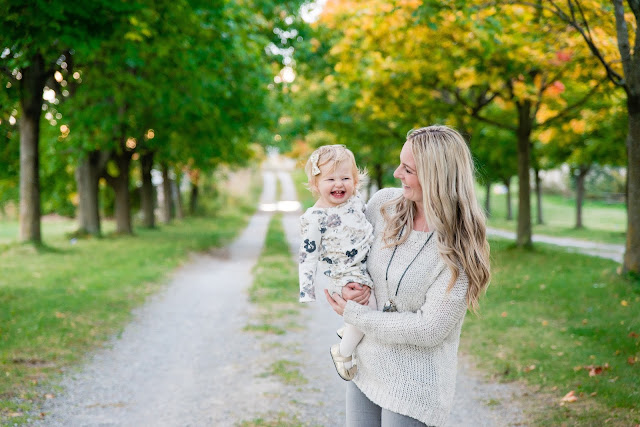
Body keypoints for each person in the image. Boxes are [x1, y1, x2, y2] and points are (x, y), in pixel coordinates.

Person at [325, 125, 491, 426]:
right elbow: (349, 253)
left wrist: (356, 315)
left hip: (414, 387)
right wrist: (349, 287)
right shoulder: (383, 206)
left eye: (408, 169)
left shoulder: (460, 247)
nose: (396, 173)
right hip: (365, 369)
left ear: (435, 177)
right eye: (400, 164)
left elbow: (429, 329)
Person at [298, 144, 377, 381]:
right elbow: (307, 256)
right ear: (315, 184)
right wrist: (306, 289)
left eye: (345, 178)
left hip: (363, 268)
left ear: (355, 181)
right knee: (369, 310)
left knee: (372, 306)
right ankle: (343, 352)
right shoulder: (316, 217)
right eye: (330, 179)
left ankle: (350, 329)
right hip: (343, 275)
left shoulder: (355, 201)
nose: (339, 184)